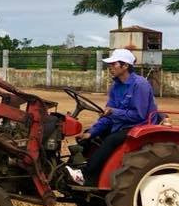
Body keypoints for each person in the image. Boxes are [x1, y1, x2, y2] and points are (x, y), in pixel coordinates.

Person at [66, 48, 158, 186]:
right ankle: (78, 170)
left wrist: (113, 112)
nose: (110, 67)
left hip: (139, 125)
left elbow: (139, 115)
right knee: (87, 138)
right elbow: (108, 114)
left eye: (113, 64)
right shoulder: (116, 86)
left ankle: (86, 176)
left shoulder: (140, 85)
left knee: (111, 140)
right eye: (110, 64)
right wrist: (92, 131)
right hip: (121, 123)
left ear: (125, 66)